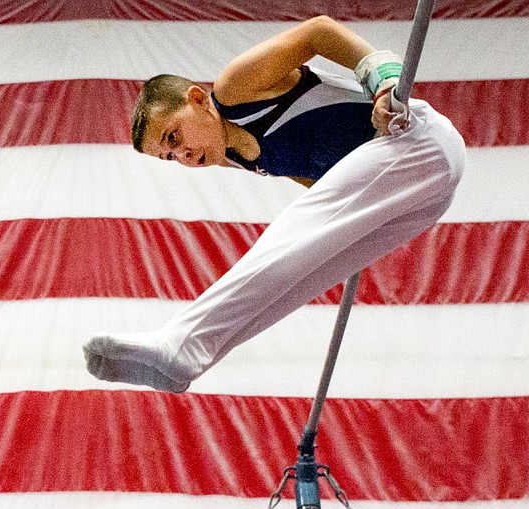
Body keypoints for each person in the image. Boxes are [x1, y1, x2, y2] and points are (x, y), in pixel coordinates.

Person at [83, 15, 466, 393]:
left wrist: (383, 83)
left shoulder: (234, 90)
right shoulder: (238, 156)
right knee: (298, 274)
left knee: (291, 235)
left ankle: (182, 341)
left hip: (417, 141)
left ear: (197, 99)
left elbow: (319, 31)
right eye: (170, 157)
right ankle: (192, 360)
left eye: (174, 136)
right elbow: (321, 183)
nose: (182, 155)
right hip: (425, 202)